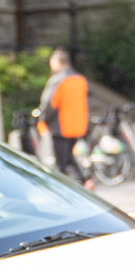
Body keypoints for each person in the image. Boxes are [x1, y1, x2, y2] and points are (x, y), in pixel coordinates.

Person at [38, 49, 91, 187]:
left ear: (57, 63)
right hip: (77, 125)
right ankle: (85, 181)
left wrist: (43, 119)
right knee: (68, 158)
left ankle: (67, 187)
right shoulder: (80, 79)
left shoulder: (58, 80)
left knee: (62, 162)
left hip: (60, 126)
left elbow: (51, 103)